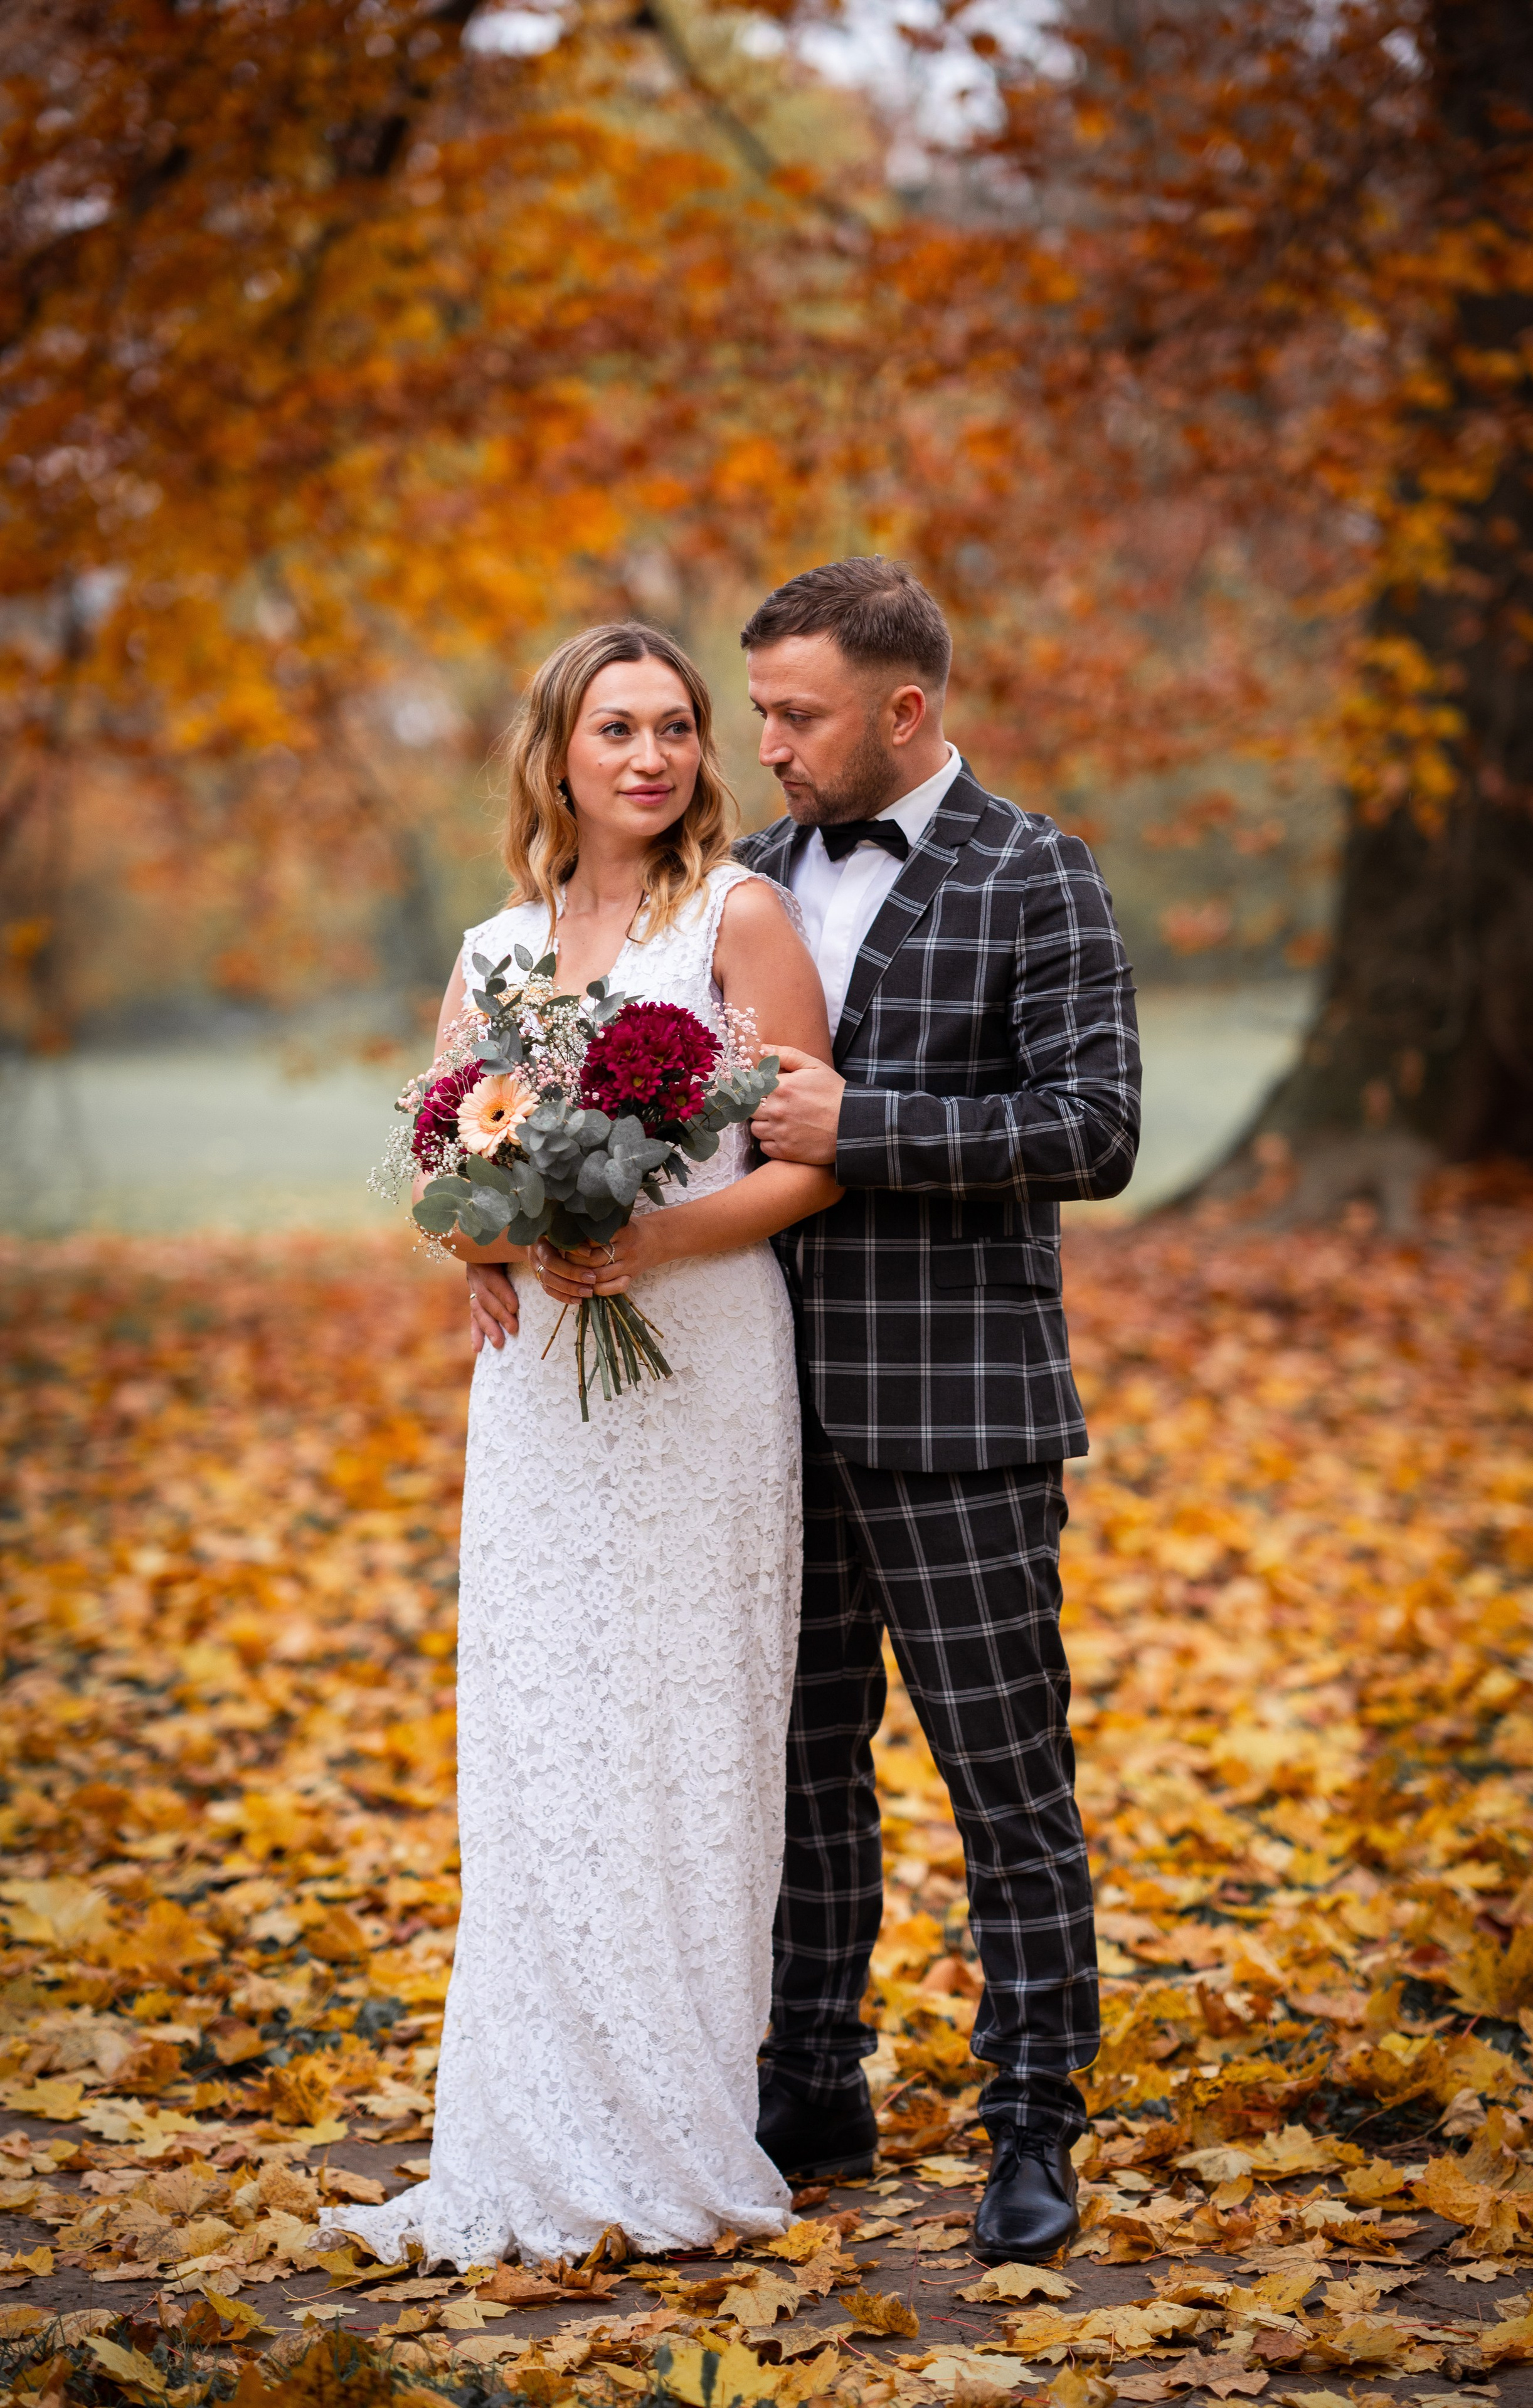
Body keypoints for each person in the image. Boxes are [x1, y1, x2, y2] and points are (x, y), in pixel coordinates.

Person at [471, 559, 1140, 2266]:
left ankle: (1032, 2122)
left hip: (957, 1401)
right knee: (796, 1769)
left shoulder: (1034, 873)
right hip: (748, 1408)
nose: (756, 744)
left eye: (792, 715)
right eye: (749, 711)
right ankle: (812, 2081)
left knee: (1005, 1775)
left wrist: (870, 1130)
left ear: (904, 709)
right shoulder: (744, 876)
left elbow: (1097, 1130)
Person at [331, 623, 839, 2268]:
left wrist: (657, 1246)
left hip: (704, 1360)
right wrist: (483, 1239)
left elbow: (812, 1157)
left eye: (679, 728)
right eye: (617, 727)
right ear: (557, 753)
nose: (653, 755)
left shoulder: (736, 919)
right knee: (547, 1734)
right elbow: (433, 1149)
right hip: (544, 1391)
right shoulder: (493, 952)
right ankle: (532, 2123)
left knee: (693, 1728)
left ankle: (687, 2120)